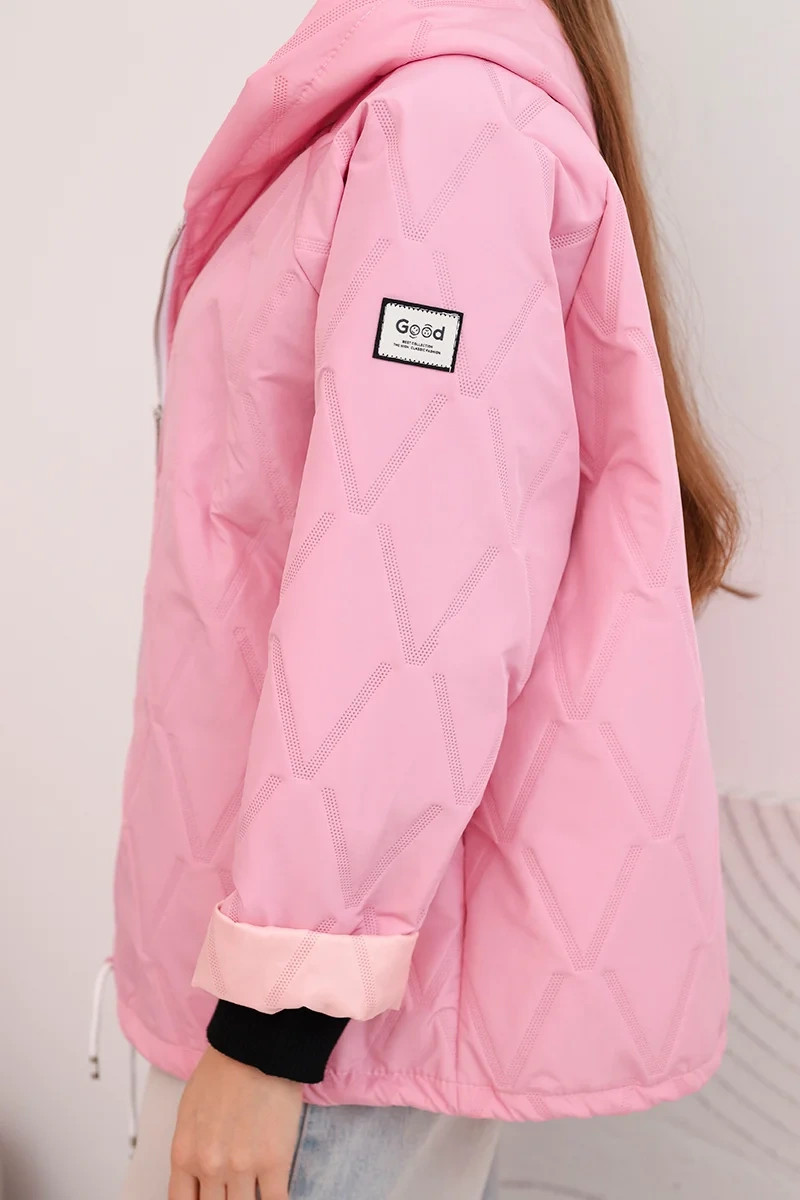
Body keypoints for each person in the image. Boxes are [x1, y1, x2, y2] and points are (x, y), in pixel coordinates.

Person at [110, 1, 742, 1197]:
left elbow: (402, 615)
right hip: (296, 995)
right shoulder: (419, 104)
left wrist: (270, 1031)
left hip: (319, 1044)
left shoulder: (447, 128)